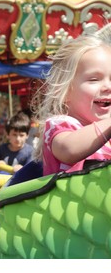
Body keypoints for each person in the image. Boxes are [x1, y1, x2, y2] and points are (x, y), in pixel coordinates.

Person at [31, 32, 111, 175]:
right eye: (93, 79)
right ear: (64, 91)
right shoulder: (61, 125)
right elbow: (69, 150)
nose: (108, 87)